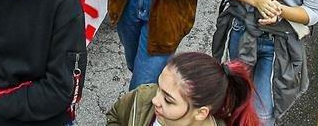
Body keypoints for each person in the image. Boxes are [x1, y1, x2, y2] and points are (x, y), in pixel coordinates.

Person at [104, 51, 258, 126]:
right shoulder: (143, 96)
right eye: (159, 87)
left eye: (168, 100)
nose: (155, 100)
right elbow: (116, 116)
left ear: (201, 113)